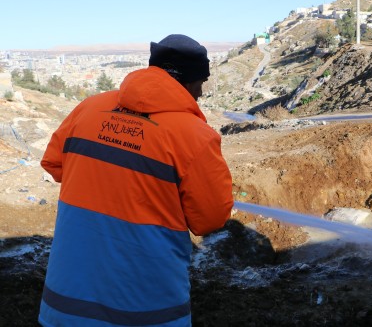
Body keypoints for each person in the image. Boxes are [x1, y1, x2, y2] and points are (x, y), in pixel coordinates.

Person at [38, 34, 234, 326]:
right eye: (201, 82)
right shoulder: (195, 136)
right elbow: (209, 220)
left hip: (64, 304)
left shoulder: (89, 108)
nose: (201, 93)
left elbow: (54, 164)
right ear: (190, 81)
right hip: (146, 309)